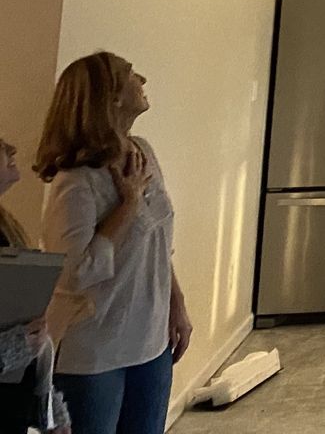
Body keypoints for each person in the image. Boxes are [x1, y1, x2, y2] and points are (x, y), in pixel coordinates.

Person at [34, 57, 190, 434]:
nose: (143, 78)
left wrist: (177, 303)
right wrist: (128, 207)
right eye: (130, 74)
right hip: (95, 350)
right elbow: (73, 275)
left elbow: (157, 240)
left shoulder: (143, 151)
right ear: (112, 98)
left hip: (151, 342)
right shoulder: (75, 181)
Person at [0, 135, 68, 434]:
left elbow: (33, 328)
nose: (12, 148)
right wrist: (14, 346)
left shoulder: (6, 225)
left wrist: (52, 412)